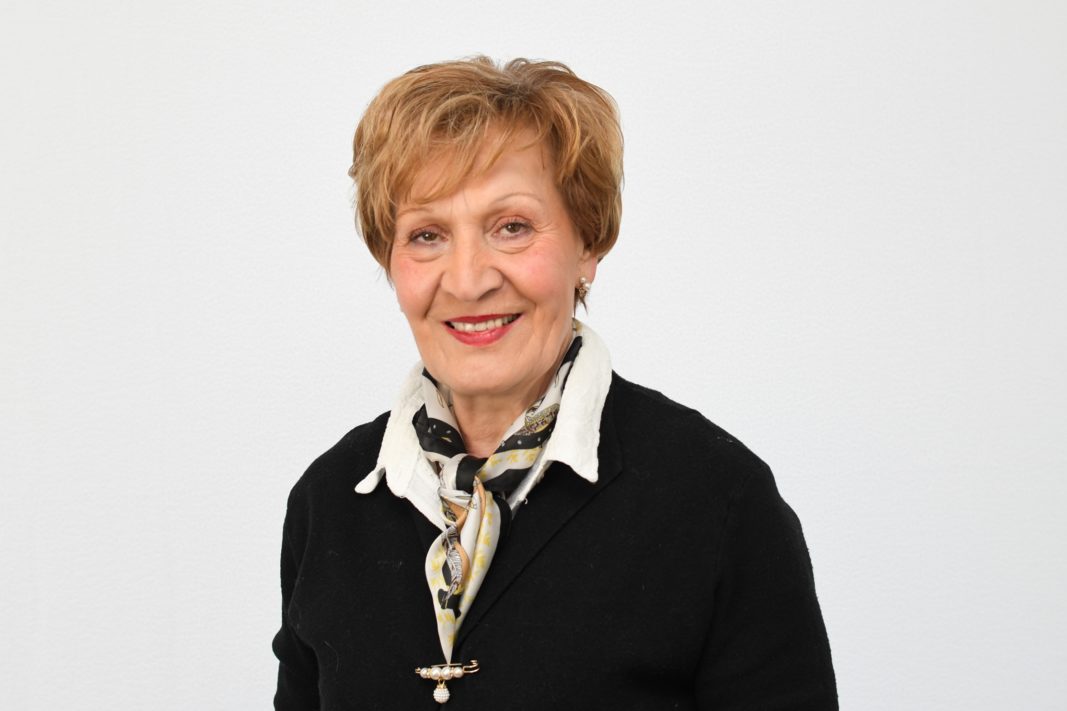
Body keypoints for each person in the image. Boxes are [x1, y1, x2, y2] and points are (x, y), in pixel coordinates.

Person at [273, 56, 837, 710]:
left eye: (511, 227)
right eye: (426, 235)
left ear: (588, 244)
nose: (468, 280)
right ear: (390, 261)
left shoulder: (717, 499)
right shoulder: (327, 502)